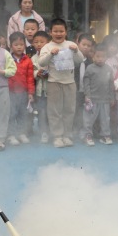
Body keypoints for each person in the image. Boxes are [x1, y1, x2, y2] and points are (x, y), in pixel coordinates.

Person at [37, 18, 83, 148]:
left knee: (69, 110)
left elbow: (80, 60)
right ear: (50, 32)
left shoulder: (71, 45)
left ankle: (67, 135)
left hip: (69, 82)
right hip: (54, 82)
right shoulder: (47, 46)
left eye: (61, 31)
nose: (58, 34)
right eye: (55, 31)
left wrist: (76, 50)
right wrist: (50, 54)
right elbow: (41, 63)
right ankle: (57, 136)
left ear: (66, 32)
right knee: (54, 111)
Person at [81, 42, 116, 146]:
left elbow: (111, 85)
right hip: (92, 100)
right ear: (93, 57)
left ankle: (105, 135)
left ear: (106, 57)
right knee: (89, 119)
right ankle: (87, 135)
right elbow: (86, 83)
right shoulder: (90, 68)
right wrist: (87, 95)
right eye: (98, 56)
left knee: (105, 119)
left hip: (105, 100)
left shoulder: (109, 69)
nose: (100, 59)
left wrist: (112, 97)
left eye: (103, 56)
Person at [6, 32, 34, 146]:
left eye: (21, 44)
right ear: (10, 45)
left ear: (25, 45)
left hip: (23, 92)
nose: (19, 47)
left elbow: (30, 78)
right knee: (12, 114)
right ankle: (11, 135)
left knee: (23, 114)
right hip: (10, 92)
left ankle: (22, 133)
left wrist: (31, 93)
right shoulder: (7, 59)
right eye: (16, 44)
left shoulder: (28, 60)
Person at [31, 31, 51, 143]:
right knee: (42, 111)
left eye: (42, 42)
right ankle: (43, 132)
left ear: (48, 43)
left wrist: (50, 74)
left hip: (51, 90)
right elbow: (31, 72)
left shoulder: (52, 55)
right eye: (36, 42)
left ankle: (53, 131)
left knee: (52, 112)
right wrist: (36, 74)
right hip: (39, 90)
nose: (39, 44)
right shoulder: (33, 58)